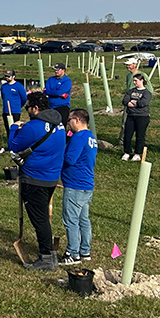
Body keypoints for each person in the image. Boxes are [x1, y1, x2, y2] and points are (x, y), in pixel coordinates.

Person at [8, 92, 66, 271]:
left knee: (39, 219)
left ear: (35, 108)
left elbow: (14, 146)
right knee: (43, 217)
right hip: (51, 177)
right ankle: (50, 254)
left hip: (34, 178)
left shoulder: (33, 127)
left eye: (28, 108)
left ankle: (46, 257)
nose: (27, 111)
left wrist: (13, 128)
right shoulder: (60, 124)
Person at [60, 109, 98, 265]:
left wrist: (58, 152)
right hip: (87, 184)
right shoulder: (91, 137)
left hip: (75, 184)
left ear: (76, 120)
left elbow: (70, 159)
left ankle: (73, 253)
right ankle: (85, 251)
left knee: (71, 220)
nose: (68, 124)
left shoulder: (78, 137)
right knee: (84, 219)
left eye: (69, 121)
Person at [121, 73, 152, 161]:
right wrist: (129, 103)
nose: (134, 82)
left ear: (142, 81)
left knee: (140, 135)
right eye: (133, 81)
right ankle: (127, 152)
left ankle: (137, 153)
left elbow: (143, 103)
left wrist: (134, 103)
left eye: (136, 81)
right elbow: (125, 100)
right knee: (127, 135)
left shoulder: (147, 92)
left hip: (142, 116)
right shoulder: (131, 91)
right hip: (131, 115)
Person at [0, 69, 28, 139]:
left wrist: (18, 106)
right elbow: (3, 97)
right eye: (6, 76)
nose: (7, 78)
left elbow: (24, 98)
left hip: (15, 110)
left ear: (13, 76)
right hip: (6, 110)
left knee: (15, 128)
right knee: (7, 127)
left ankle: (16, 141)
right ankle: (9, 142)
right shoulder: (3, 86)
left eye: (9, 76)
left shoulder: (19, 86)